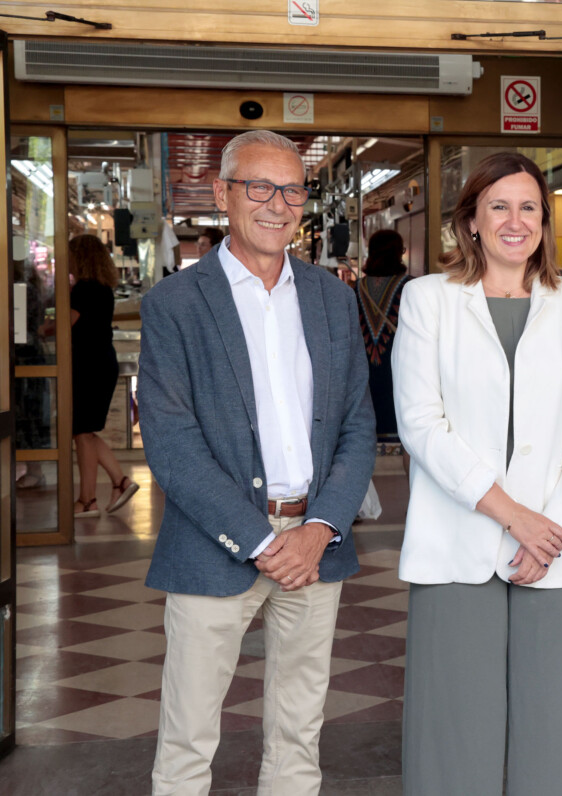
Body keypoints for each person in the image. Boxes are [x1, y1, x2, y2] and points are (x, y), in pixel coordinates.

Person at [138, 130, 375, 795]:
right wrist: (265, 541)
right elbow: (172, 444)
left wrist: (320, 528)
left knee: (300, 735)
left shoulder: (331, 298)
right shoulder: (175, 306)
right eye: (259, 188)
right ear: (223, 194)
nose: (278, 204)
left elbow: (358, 425)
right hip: (218, 545)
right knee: (187, 738)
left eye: (292, 189)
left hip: (315, 547)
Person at [394, 151, 562, 795]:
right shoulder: (428, 301)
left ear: (545, 222)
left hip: (554, 548)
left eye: (528, 208)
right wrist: (515, 516)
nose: (514, 222)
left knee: (557, 728)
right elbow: (421, 424)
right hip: (457, 543)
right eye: (498, 206)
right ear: (471, 221)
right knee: (453, 731)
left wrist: (553, 528)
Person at [66, 234, 138, 517]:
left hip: (88, 366)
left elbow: (62, 325)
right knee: (84, 432)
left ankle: (90, 499)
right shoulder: (103, 288)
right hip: (100, 363)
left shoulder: (82, 290)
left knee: (82, 432)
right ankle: (111, 487)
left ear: (80, 257)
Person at [356, 229, 409, 450]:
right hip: (402, 376)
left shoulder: (355, 289)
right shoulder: (412, 288)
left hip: (364, 380)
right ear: (400, 253)